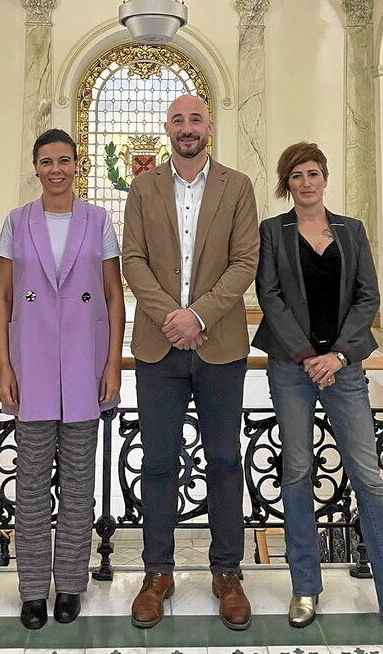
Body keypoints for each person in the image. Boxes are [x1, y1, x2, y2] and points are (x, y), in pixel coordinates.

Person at [252, 141, 383, 647]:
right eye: (296, 175)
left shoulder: (351, 230)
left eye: (313, 173)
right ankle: (305, 588)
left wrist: (339, 357)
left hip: (346, 369)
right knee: (297, 471)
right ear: (286, 183)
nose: (306, 183)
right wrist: (308, 354)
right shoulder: (274, 232)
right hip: (291, 368)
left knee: (369, 479)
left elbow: (368, 296)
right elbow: (269, 295)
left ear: (325, 178)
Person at [123, 95, 259, 631]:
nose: (187, 127)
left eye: (195, 118)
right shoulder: (144, 186)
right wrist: (171, 317)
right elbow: (132, 258)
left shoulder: (238, 186)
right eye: (177, 120)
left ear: (209, 126)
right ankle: (157, 574)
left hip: (220, 347)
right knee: (158, 464)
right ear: (167, 128)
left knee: (225, 461)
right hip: (158, 349)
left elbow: (245, 259)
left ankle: (227, 573)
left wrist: (198, 315)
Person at [0, 128, 124, 630]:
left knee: (77, 485)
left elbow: (113, 296)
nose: (56, 169)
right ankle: (31, 590)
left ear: (77, 164)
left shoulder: (98, 220)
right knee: (29, 486)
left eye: (64, 160)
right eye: (46, 161)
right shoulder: (16, 222)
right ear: (36, 167)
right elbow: (3, 296)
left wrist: (112, 363)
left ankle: (70, 585)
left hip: (85, 367)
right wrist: (4, 363)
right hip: (32, 367)